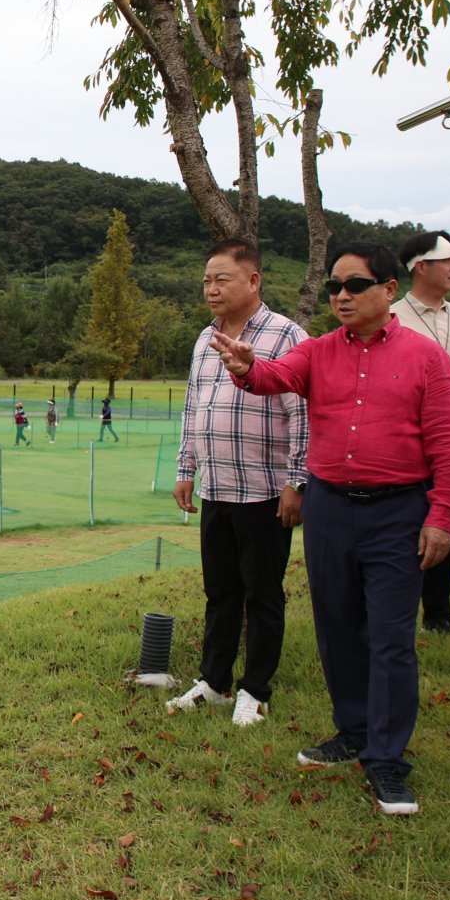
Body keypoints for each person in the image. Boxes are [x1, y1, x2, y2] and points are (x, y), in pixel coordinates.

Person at [209, 241, 450, 816]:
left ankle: (387, 760)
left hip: (398, 511)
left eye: (354, 285)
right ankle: (352, 731)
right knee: (338, 628)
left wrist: (443, 515)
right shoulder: (320, 351)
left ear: (388, 290)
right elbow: (273, 378)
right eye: (334, 287)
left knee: (391, 639)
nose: (342, 296)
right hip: (329, 509)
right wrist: (248, 367)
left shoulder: (426, 358)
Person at [167, 240, 308, 728]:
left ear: (253, 281)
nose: (211, 289)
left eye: (221, 279)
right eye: (207, 280)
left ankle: (256, 688)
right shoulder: (205, 338)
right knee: (220, 590)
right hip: (217, 488)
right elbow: (194, 409)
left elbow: (302, 412)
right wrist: (187, 469)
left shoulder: (286, 335)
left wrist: (296, 482)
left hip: (265, 490)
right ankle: (214, 681)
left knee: (263, 593)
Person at [393, 230, 450, 634]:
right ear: (421, 267)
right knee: (404, 531)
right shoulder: (392, 316)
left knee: (448, 529)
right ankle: (400, 611)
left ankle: (438, 616)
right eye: (448, 260)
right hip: (407, 446)